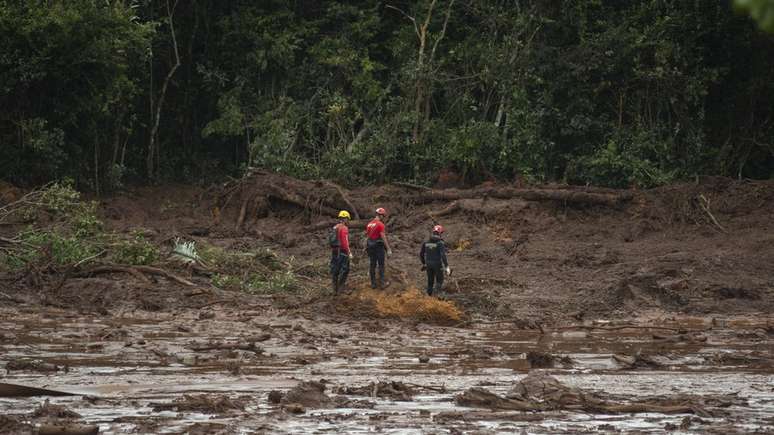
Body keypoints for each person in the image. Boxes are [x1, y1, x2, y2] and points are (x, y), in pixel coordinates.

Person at [419, 224, 450, 296]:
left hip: (428, 264)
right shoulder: (440, 243)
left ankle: (429, 298)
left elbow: (421, 254)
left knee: (430, 282)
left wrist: (424, 264)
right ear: (440, 233)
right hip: (437, 264)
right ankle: (436, 296)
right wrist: (447, 266)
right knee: (440, 280)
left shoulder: (426, 242)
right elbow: (443, 255)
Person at [365, 207, 392, 289]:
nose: (384, 218)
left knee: (372, 264)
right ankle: (382, 283)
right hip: (378, 247)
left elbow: (368, 236)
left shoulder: (369, 224)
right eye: (383, 216)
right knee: (381, 265)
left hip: (370, 246)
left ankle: (373, 283)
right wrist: (388, 249)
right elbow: (383, 237)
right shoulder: (380, 225)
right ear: (381, 215)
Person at [330, 210, 353, 294]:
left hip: (334, 251)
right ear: (345, 219)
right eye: (347, 219)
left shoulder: (335, 227)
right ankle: (341, 288)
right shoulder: (344, 228)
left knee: (335, 270)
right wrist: (349, 253)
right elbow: (345, 242)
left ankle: (334, 289)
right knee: (345, 269)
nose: (348, 221)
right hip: (342, 252)